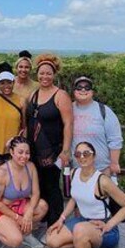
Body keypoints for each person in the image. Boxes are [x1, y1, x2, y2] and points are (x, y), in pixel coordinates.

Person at [46, 141, 125, 248]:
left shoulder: (102, 181)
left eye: (86, 153)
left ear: (94, 156)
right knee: (51, 240)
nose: (82, 157)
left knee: (80, 230)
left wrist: (109, 225)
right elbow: (74, 198)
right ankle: (87, 245)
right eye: (78, 154)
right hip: (82, 221)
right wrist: (61, 219)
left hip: (104, 226)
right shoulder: (74, 173)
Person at [26, 53, 72, 226]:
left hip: (52, 150)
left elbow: (68, 124)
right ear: (37, 74)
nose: (44, 76)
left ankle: (55, 222)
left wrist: (65, 150)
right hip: (34, 149)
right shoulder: (33, 95)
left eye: (48, 73)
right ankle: (43, 215)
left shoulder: (60, 96)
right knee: (38, 185)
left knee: (52, 186)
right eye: (41, 73)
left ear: (54, 75)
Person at [0, 136, 48, 248]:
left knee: (42, 206)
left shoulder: (30, 167)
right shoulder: (2, 172)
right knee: (15, 240)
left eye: (27, 153)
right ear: (11, 152)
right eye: (20, 152)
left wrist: (29, 212)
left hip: (17, 204)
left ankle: (26, 233)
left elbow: (36, 193)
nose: (24, 156)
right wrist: (18, 218)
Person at [70, 76, 123, 180]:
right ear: (74, 91)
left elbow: (115, 138)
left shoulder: (104, 110)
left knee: (102, 196)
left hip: (101, 169)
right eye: (79, 87)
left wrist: (114, 163)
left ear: (92, 91)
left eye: (87, 87)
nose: (83, 90)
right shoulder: (68, 109)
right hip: (77, 169)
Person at [0, 62, 26, 181]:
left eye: (9, 82)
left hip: (14, 149)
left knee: (12, 182)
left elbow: (24, 125)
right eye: (2, 83)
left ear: (13, 82)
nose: (6, 86)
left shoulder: (21, 100)